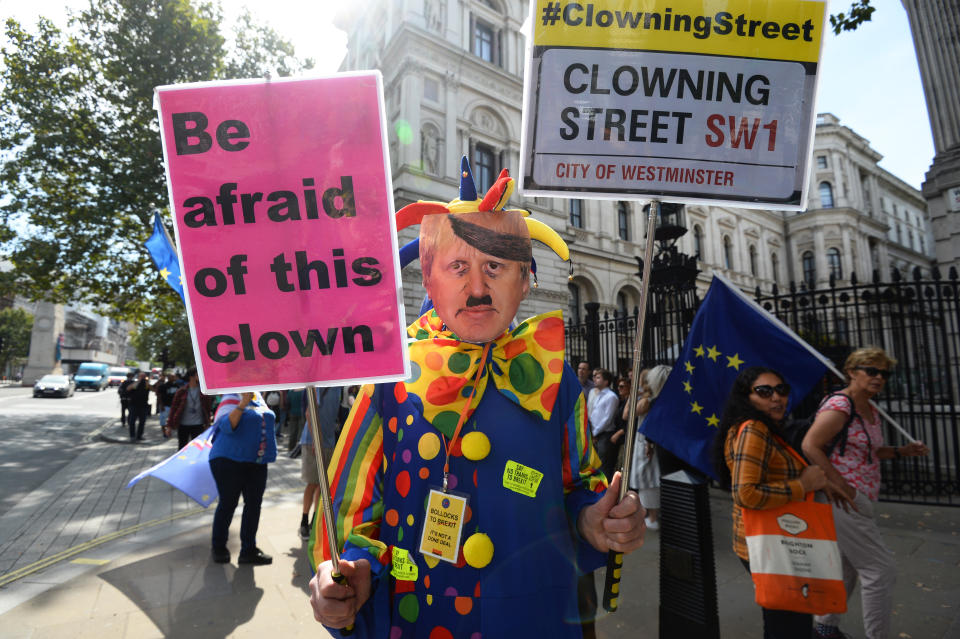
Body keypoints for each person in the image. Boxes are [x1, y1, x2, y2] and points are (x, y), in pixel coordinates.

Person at [308, 159, 645, 638]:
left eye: (495, 267)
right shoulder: (389, 378)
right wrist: (351, 571)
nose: (478, 289)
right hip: (421, 618)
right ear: (429, 279)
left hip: (534, 618)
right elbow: (351, 511)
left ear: (525, 280)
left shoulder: (556, 377)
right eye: (457, 267)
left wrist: (596, 520)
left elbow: (580, 484)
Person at [802, 348, 929, 639]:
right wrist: (840, 485)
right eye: (871, 370)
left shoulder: (870, 408)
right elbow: (811, 445)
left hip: (861, 497)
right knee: (880, 570)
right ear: (851, 372)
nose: (879, 377)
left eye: (884, 373)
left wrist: (902, 451)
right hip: (843, 499)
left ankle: (825, 628)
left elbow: (868, 451)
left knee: (847, 567)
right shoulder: (840, 405)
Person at [714, 366, 835, 639]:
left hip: (773, 539)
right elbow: (746, 493)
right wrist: (803, 485)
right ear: (746, 397)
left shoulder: (760, 428)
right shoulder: (753, 429)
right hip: (768, 543)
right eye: (764, 391)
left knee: (787, 618)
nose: (776, 397)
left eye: (781, 390)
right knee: (788, 624)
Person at [208, 391, 277, 565]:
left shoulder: (259, 397)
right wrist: (243, 402)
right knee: (228, 504)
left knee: (254, 506)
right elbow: (225, 426)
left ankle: (248, 550)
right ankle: (218, 546)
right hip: (229, 460)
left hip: (257, 462)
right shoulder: (231, 396)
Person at [628, 365, 671, 531]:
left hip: (650, 445)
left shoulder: (649, 401)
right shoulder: (651, 399)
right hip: (649, 443)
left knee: (649, 481)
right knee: (646, 481)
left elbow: (629, 413)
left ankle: (652, 517)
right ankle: (650, 515)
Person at [298, 385, 342, 541]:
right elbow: (309, 413)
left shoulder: (339, 387)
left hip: (329, 442)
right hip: (313, 441)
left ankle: (314, 522)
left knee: (322, 485)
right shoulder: (320, 385)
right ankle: (304, 522)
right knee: (312, 483)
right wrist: (316, 439)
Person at [166, 368, 213, 450]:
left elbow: (207, 409)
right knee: (182, 448)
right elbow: (173, 408)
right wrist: (169, 426)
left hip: (198, 425)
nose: (201, 376)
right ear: (192, 377)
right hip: (183, 425)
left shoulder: (204, 392)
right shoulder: (181, 391)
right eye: (198, 374)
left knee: (197, 449)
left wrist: (207, 424)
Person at [588, 367, 620, 481]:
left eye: (598, 377)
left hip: (604, 435)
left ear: (606, 381)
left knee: (604, 465)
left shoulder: (611, 397)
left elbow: (607, 419)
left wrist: (595, 432)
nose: (595, 379)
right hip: (595, 434)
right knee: (594, 464)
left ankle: (605, 491)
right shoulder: (598, 395)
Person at [125, 372, 152, 441]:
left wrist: (147, 383)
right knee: (132, 421)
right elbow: (128, 389)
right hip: (134, 405)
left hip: (143, 405)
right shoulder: (135, 383)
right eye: (141, 376)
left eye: (144, 376)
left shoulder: (146, 384)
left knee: (142, 421)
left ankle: (139, 435)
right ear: (138, 377)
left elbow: (153, 389)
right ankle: (132, 436)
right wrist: (138, 382)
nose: (142, 378)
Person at [286, 387, 308, 453]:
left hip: (292, 413)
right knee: (301, 432)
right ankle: (299, 449)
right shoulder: (304, 391)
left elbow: (288, 403)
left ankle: (291, 447)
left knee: (292, 431)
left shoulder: (291, 391)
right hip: (302, 414)